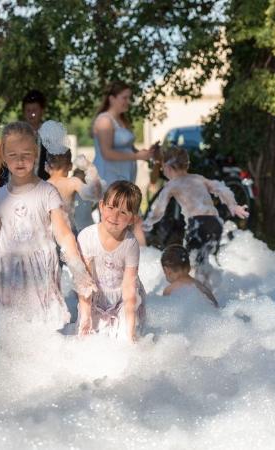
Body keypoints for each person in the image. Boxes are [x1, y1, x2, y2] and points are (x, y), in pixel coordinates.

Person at [0, 122, 95, 327]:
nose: (20, 160)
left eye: (26, 154)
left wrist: (78, 269)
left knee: (42, 326)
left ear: (36, 154)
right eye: (12, 155)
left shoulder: (47, 192)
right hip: (8, 271)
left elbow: (64, 235)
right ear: (3, 156)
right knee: (9, 328)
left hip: (40, 272)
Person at [142, 146, 249, 286]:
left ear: (167, 167)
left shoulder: (171, 185)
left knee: (191, 263)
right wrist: (233, 206)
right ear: (187, 164)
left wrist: (147, 223)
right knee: (203, 261)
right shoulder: (199, 179)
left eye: (162, 168)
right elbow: (221, 188)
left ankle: (201, 298)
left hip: (198, 224)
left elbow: (158, 209)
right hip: (215, 223)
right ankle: (211, 292)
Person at [76, 181, 146, 341]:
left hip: (125, 299)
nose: (114, 216)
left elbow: (129, 287)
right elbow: (84, 281)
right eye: (111, 208)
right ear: (101, 206)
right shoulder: (87, 237)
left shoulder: (130, 244)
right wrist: (85, 315)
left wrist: (130, 330)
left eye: (122, 212)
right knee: (88, 340)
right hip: (95, 297)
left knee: (126, 341)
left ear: (132, 219)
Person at [91, 81, 153, 185]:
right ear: (112, 99)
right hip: (108, 177)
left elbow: (129, 149)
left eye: (129, 98)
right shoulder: (104, 120)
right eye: (125, 98)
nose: (128, 101)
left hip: (125, 175)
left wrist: (147, 154)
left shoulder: (122, 120)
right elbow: (107, 153)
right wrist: (137, 156)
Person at [0, 90, 50, 187]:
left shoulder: (49, 137)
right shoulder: (15, 134)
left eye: (34, 110)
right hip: (15, 189)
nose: (31, 114)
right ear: (24, 112)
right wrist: (3, 186)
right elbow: (5, 163)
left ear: (42, 111)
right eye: (28, 110)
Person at [46, 150, 102, 230]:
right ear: (70, 166)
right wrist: (89, 167)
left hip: (49, 233)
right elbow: (95, 194)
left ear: (48, 166)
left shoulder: (43, 185)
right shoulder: (72, 182)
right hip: (68, 231)